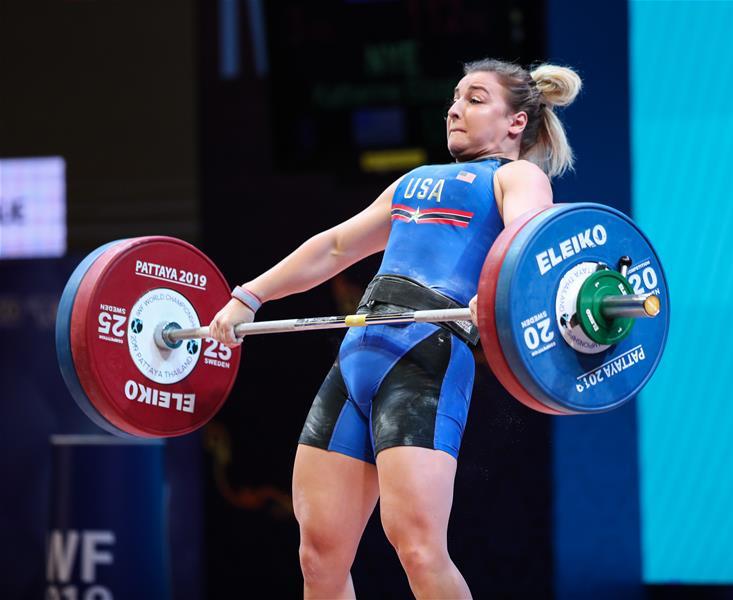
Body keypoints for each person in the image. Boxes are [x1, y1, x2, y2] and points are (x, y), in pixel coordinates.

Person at [208, 58, 581, 599]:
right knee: (318, 556)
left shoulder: (516, 176)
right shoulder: (416, 182)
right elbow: (336, 247)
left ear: (516, 123)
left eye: (476, 99)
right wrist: (250, 295)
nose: (455, 108)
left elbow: (529, 244)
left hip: (426, 358)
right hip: (358, 353)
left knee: (417, 547)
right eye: (455, 97)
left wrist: (498, 291)